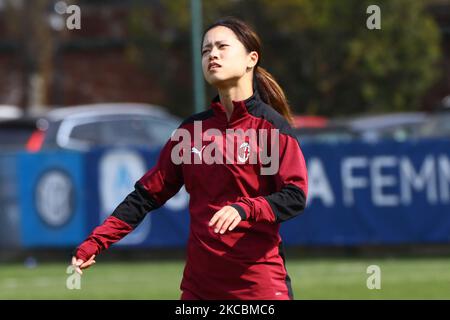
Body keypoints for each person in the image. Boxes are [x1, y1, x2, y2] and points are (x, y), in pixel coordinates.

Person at [71, 17, 308, 300]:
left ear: (251, 59)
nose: (213, 55)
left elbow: (294, 195)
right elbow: (145, 195)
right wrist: (95, 242)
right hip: (199, 290)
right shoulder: (191, 132)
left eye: (222, 47)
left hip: (259, 288)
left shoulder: (270, 128)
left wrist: (245, 209)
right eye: (206, 50)